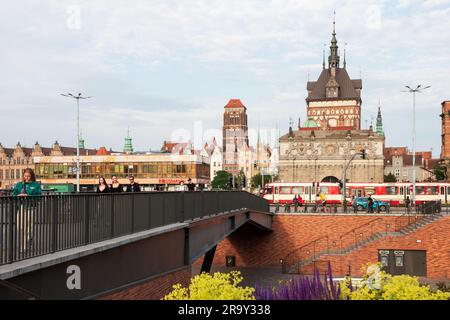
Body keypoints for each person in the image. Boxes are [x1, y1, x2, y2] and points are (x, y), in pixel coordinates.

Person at [12, 168, 42, 254]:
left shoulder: (36, 185)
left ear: (32, 176)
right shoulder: (19, 184)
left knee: (28, 227)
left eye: (28, 176)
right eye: (25, 176)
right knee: (20, 227)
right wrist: (18, 195)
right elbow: (13, 194)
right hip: (21, 207)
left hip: (30, 207)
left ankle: (24, 246)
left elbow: (39, 196)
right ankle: (28, 240)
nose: (26, 178)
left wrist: (28, 195)